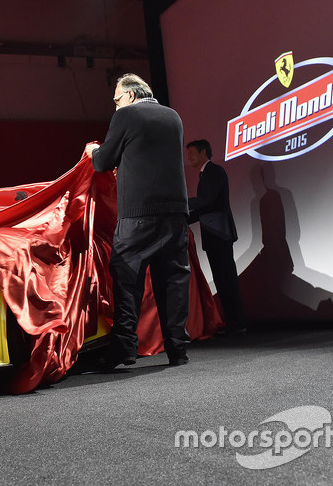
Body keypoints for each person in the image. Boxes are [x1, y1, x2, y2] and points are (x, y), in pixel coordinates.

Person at [85, 73, 191, 368]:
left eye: (116, 99)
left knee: (127, 279)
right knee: (173, 280)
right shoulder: (173, 116)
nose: (115, 105)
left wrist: (94, 151)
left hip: (139, 214)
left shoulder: (127, 116)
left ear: (130, 96)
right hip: (175, 213)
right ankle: (178, 349)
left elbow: (104, 161)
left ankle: (125, 348)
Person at [186, 139, 247, 335]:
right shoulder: (205, 174)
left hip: (220, 234)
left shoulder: (214, 171)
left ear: (203, 152)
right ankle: (233, 324)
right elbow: (206, 207)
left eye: (192, 154)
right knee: (221, 281)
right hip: (214, 236)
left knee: (227, 281)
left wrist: (180, 203)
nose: (189, 158)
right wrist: (183, 219)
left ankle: (238, 324)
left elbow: (206, 201)